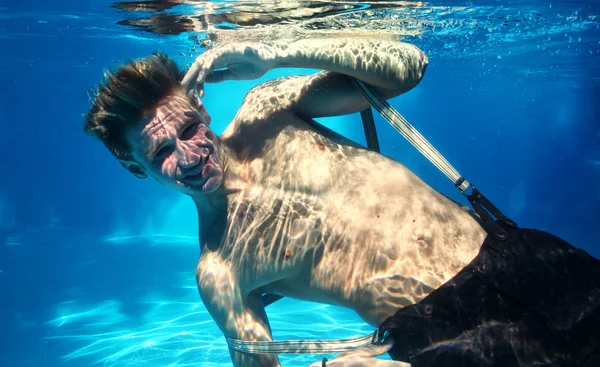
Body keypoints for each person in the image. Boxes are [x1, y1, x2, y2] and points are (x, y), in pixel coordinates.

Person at [84, 38, 600, 367]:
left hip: (514, 254)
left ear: (200, 106)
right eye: (161, 153)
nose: (190, 154)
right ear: (136, 168)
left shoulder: (269, 110)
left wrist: (276, 51)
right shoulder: (220, 268)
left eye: (190, 129)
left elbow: (408, 67)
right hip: (447, 333)